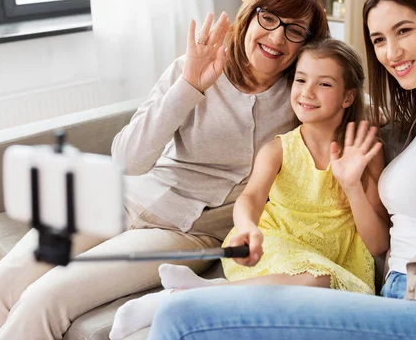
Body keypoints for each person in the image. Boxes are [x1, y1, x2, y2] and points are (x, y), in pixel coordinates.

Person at [147, 0, 416, 340]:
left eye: (403, 30)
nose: (391, 52)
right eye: (378, 40)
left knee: (177, 319)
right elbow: (333, 107)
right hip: (391, 300)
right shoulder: (406, 124)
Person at [0, 0, 329, 340]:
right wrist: (189, 87)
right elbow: (128, 160)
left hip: (188, 231)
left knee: (46, 297)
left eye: (295, 30)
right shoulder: (195, 67)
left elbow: (343, 99)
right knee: (6, 280)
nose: (278, 37)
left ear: (305, 44)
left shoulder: (301, 97)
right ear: (249, 17)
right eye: (269, 19)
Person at [108, 39, 389, 339]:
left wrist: (351, 186)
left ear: (348, 97)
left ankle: (205, 291)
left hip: (338, 261)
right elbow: (251, 198)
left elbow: (377, 245)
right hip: (275, 246)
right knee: (315, 279)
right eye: (301, 80)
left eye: (324, 84)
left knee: (318, 283)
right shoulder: (278, 149)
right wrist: (246, 227)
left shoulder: (365, 152)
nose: (307, 92)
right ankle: (175, 301)